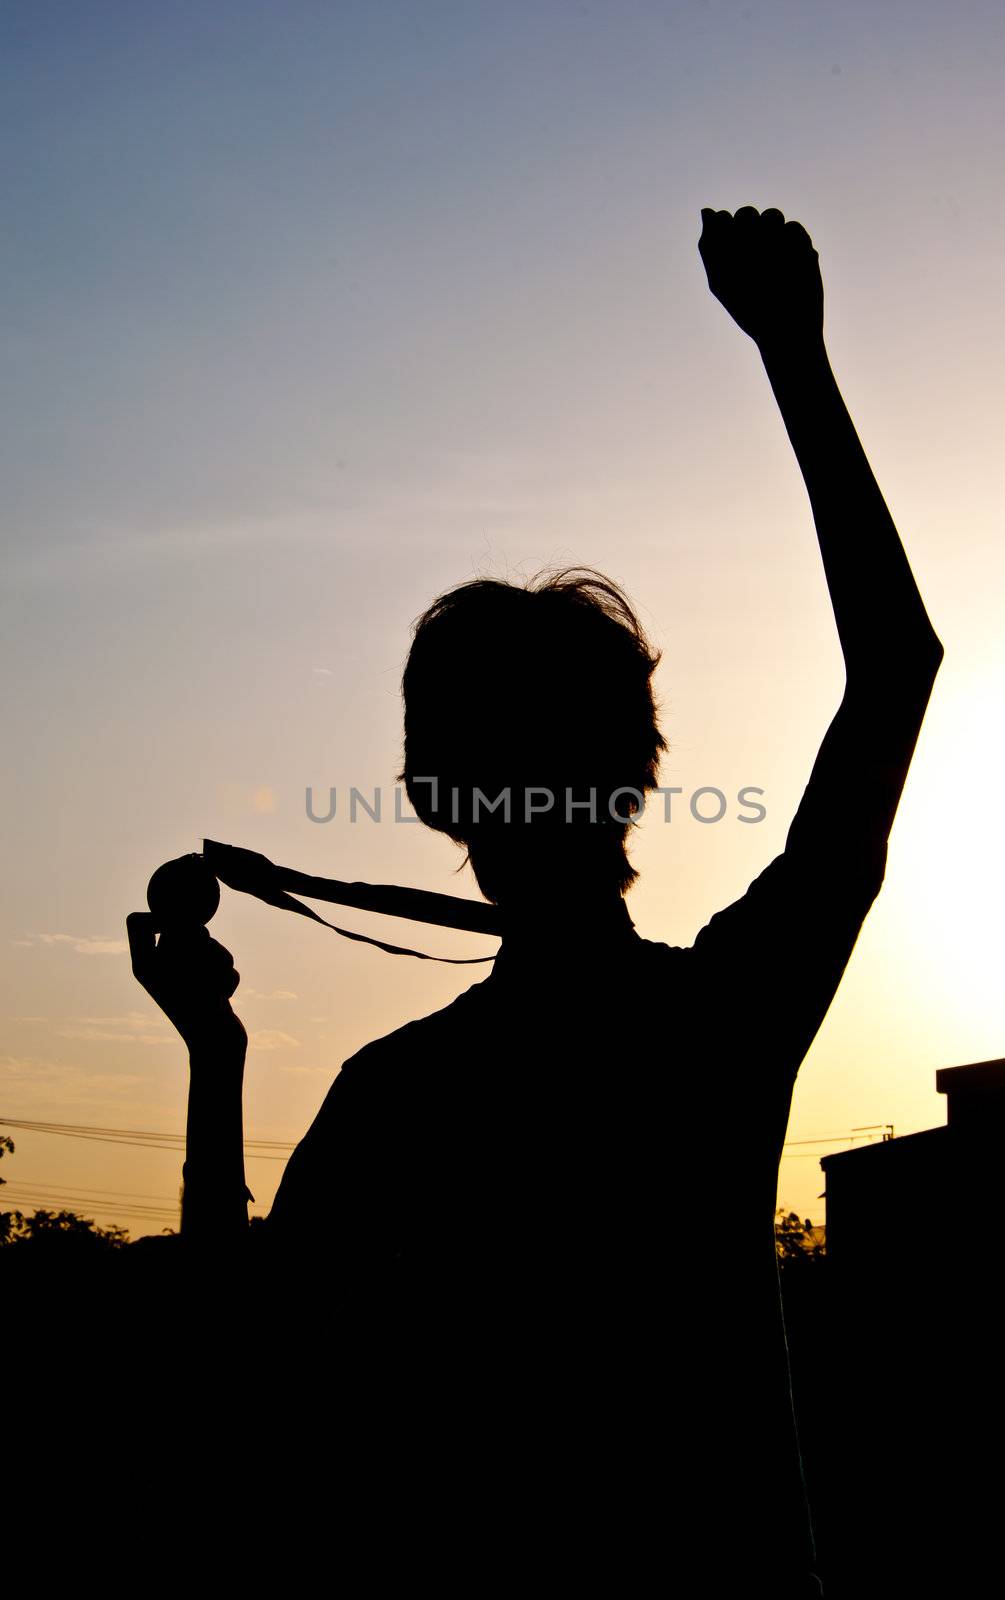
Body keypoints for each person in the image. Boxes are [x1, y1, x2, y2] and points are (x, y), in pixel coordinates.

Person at [126, 207, 943, 1591]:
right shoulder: (724, 1022)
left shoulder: (397, 1095)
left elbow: (233, 1378)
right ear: (645, 770)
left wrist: (216, 1064)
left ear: (431, 797)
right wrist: (793, 352)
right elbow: (896, 671)